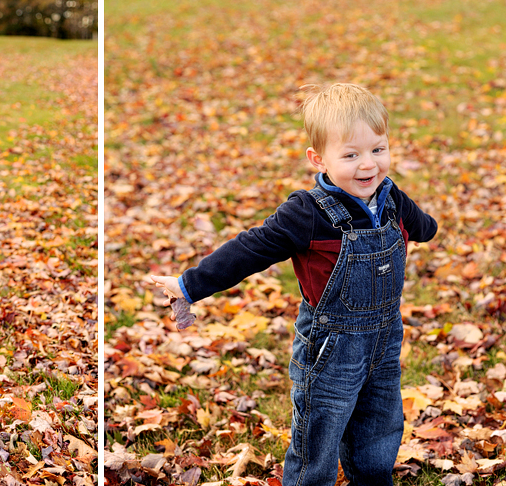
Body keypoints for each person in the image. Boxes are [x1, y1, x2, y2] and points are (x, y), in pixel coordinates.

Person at [150, 84, 437, 485]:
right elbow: (251, 248)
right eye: (351, 155)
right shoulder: (307, 213)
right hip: (330, 350)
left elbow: (423, 227)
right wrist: (189, 284)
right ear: (318, 159)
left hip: (385, 342)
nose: (368, 164)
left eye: (378, 149)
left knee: (380, 424)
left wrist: (426, 228)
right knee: (319, 433)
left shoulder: (393, 201)